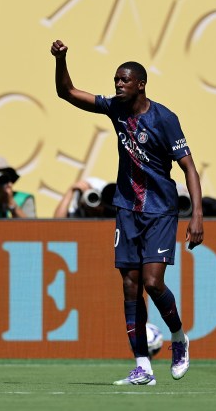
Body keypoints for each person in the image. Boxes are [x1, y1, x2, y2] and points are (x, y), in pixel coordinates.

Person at [51, 39, 204, 385]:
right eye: (116, 79)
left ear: (141, 84)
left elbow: (189, 168)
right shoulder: (115, 108)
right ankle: (143, 367)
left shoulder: (164, 118)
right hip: (126, 209)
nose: (118, 84)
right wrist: (61, 59)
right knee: (131, 287)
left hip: (160, 210)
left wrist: (196, 215)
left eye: (124, 80)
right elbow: (67, 92)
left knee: (152, 282)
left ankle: (179, 338)